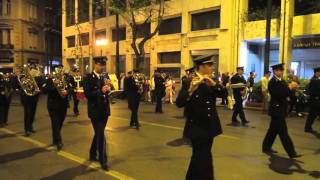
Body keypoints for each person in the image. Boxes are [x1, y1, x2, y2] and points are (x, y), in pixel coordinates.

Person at [176, 54, 222, 180]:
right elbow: (179, 103)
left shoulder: (210, 80)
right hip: (197, 128)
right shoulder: (189, 81)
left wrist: (213, 84)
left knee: (198, 157)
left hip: (210, 127)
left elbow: (223, 94)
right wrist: (191, 90)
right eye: (210, 65)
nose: (213, 67)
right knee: (204, 160)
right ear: (201, 66)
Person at [262, 63, 302, 159]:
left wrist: (294, 93)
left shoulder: (282, 81)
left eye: (281, 70)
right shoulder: (272, 82)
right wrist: (290, 88)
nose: (280, 72)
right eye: (278, 70)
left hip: (281, 110)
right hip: (276, 110)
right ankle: (291, 152)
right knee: (283, 133)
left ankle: (266, 147)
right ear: (274, 71)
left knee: (272, 131)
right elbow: (279, 94)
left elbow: (287, 93)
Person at [83, 58, 111, 171]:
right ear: (95, 65)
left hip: (105, 110)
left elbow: (108, 92)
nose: (102, 67)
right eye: (100, 65)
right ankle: (102, 160)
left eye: (103, 65)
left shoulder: (105, 77)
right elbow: (88, 94)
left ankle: (92, 153)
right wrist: (101, 91)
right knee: (101, 135)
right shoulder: (88, 78)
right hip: (95, 111)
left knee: (98, 133)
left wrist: (110, 88)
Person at [43, 65, 70, 151]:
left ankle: (56, 140)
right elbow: (44, 90)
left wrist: (67, 91)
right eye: (58, 69)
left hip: (63, 105)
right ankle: (58, 142)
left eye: (61, 69)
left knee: (59, 124)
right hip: (53, 105)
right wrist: (54, 85)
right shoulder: (50, 80)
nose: (60, 71)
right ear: (54, 71)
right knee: (55, 124)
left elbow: (71, 88)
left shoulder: (65, 79)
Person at [19, 64, 42, 136]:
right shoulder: (22, 77)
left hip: (34, 97)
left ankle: (30, 127)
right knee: (27, 113)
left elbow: (41, 84)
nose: (32, 70)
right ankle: (27, 129)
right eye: (30, 69)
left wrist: (38, 76)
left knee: (32, 113)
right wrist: (25, 80)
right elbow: (20, 86)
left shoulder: (37, 77)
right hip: (27, 97)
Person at [304, 67, 320, 133]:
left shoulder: (316, 80)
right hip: (315, 101)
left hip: (315, 101)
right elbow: (313, 91)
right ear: (316, 72)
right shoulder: (314, 80)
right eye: (319, 72)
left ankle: (307, 128)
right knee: (312, 116)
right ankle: (307, 128)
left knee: (312, 115)